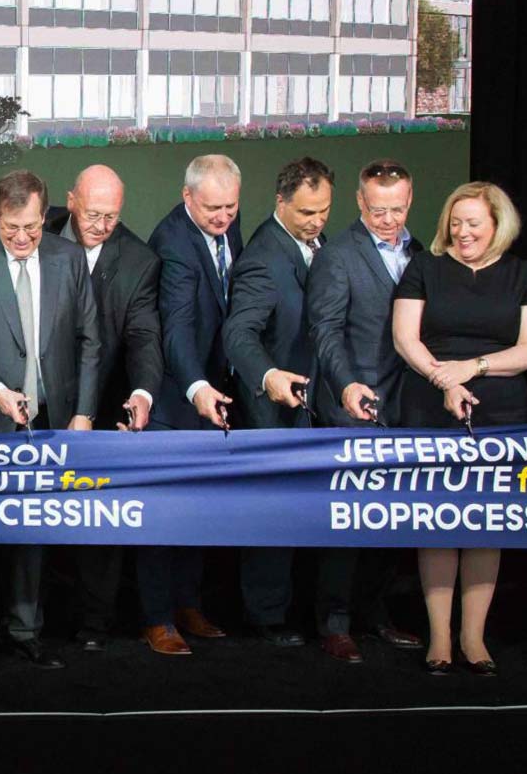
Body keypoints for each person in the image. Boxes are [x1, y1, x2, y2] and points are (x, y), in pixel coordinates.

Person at [0, 170, 99, 677]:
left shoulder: (68, 259)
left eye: (32, 227)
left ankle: (28, 632)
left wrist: (82, 412)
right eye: (12, 227)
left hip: (51, 422)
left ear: (45, 215)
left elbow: (89, 340)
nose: (23, 237)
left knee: (34, 532)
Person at [392, 181, 527, 675]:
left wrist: (471, 368)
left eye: (474, 224)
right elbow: (404, 337)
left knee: (485, 523)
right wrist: (445, 378)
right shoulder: (425, 267)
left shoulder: (525, 274)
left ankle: (473, 637)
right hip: (430, 406)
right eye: (455, 223)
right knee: (437, 523)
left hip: (501, 413)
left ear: (498, 225)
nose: (462, 233)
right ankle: (439, 635)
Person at [304, 159, 428, 661]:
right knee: (347, 523)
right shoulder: (338, 255)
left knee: (391, 520)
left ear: (410, 201)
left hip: (407, 408)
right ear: (359, 203)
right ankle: (334, 623)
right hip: (352, 406)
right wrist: (347, 383)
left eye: (397, 209)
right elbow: (326, 330)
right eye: (378, 210)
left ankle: (376, 614)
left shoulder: (421, 252)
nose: (388, 219)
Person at [45, 165, 159, 651]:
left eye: (112, 216)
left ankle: (94, 624)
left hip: (105, 400)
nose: (102, 225)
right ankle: (33, 619)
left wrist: (143, 392)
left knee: (99, 521)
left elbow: (144, 338)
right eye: (93, 214)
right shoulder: (40, 229)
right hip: (35, 400)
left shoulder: (137, 260)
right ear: (71, 201)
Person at [224, 157, 332, 648]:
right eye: (306, 212)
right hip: (273, 410)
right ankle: (266, 617)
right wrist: (266, 375)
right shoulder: (262, 258)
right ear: (280, 202)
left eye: (324, 211)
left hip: (319, 405)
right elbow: (238, 333)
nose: (316, 222)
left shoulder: (318, 246)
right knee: (273, 513)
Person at [140, 154, 246, 655]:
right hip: (175, 399)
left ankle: (188, 605)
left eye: (230, 206)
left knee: (198, 512)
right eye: (212, 209)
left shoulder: (227, 223)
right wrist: (197, 386)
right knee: (163, 518)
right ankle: (158, 619)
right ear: (187, 198)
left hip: (213, 395)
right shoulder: (174, 244)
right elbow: (177, 331)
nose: (223, 217)